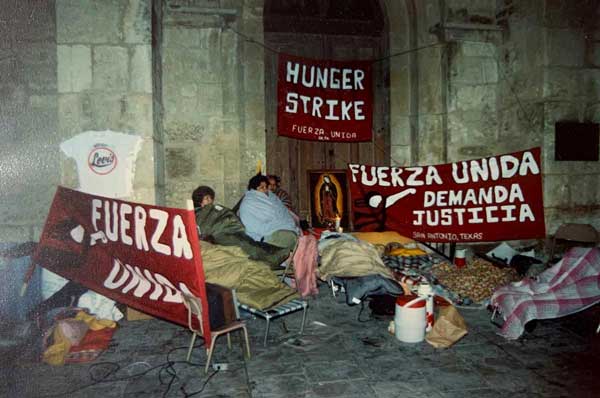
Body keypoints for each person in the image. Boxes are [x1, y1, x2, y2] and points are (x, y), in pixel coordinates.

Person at [192, 185, 290, 268]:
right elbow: (210, 226)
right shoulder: (199, 214)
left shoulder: (213, 211)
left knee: (250, 243)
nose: (210, 201)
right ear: (199, 200)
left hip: (229, 234)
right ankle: (278, 255)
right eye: (207, 198)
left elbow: (227, 218)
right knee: (245, 246)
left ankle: (279, 253)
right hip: (220, 238)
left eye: (211, 198)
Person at [239, 174, 299, 253]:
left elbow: (284, 213)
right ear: (253, 189)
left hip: (284, 229)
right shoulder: (249, 202)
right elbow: (255, 226)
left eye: (266, 187)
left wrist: (286, 224)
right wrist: (279, 226)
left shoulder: (273, 197)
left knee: (296, 239)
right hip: (265, 236)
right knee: (290, 238)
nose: (265, 190)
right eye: (262, 187)